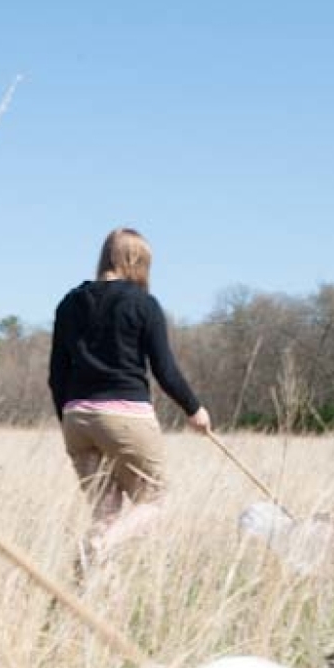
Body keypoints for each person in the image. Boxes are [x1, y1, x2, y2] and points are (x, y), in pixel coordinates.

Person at [48, 227, 211, 565]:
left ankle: (91, 589)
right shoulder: (143, 304)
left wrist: (68, 419)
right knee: (155, 501)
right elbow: (165, 370)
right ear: (136, 261)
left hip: (76, 418)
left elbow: (56, 376)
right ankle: (101, 548)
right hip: (124, 416)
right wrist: (194, 410)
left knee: (105, 514)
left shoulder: (68, 304)